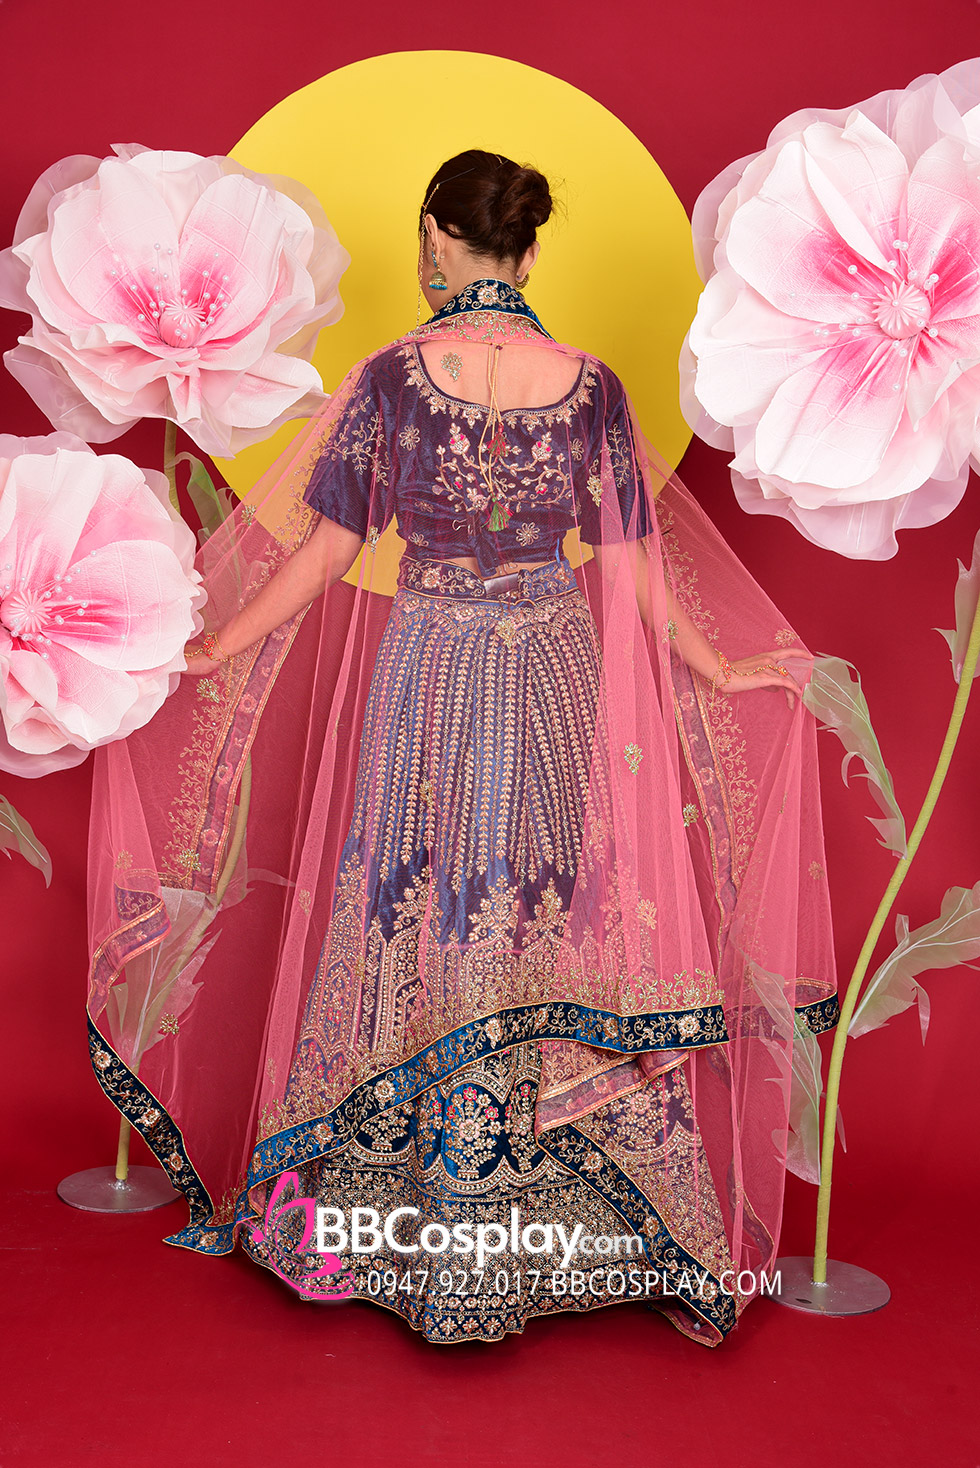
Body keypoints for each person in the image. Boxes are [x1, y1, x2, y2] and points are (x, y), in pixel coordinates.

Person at [86, 150, 838, 1346]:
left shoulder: (392, 379)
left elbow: (327, 555)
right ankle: (532, 1207)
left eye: (428, 240)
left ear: (438, 241)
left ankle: (400, 1206)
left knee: (416, 898)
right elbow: (627, 562)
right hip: (549, 666)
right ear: (526, 253)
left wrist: (216, 642)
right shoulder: (590, 387)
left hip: (430, 664)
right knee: (534, 902)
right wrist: (713, 664)